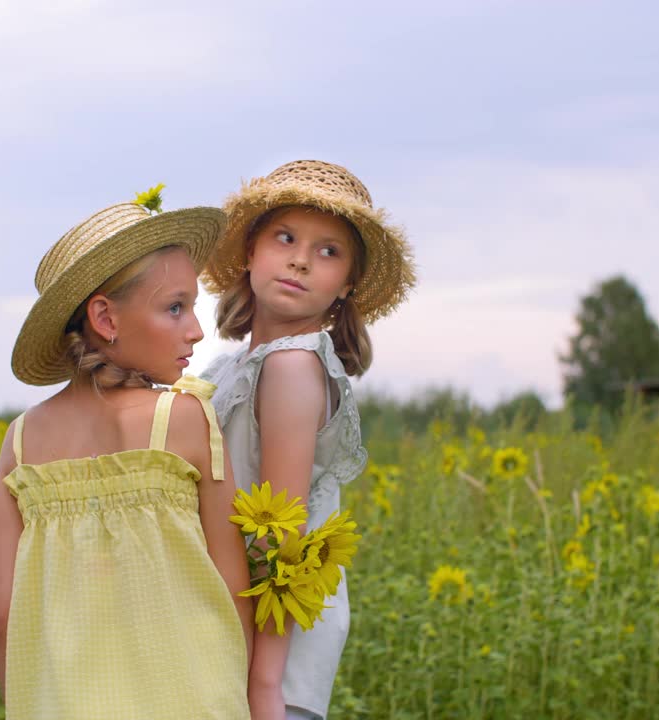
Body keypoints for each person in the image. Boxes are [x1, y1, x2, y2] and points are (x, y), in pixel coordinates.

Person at [0, 200, 254, 718]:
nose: (196, 330)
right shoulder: (184, 419)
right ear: (106, 317)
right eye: (175, 307)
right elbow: (232, 591)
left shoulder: (19, 444)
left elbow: (5, 617)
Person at [201, 160, 416, 720]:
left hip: (276, 644)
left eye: (328, 251)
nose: (300, 259)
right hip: (238, 622)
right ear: (250, 251)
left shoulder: (293, 366)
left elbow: (284, 533)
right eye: (285, 238)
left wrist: (266, 684)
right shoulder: (231, 367)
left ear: (347, 285)